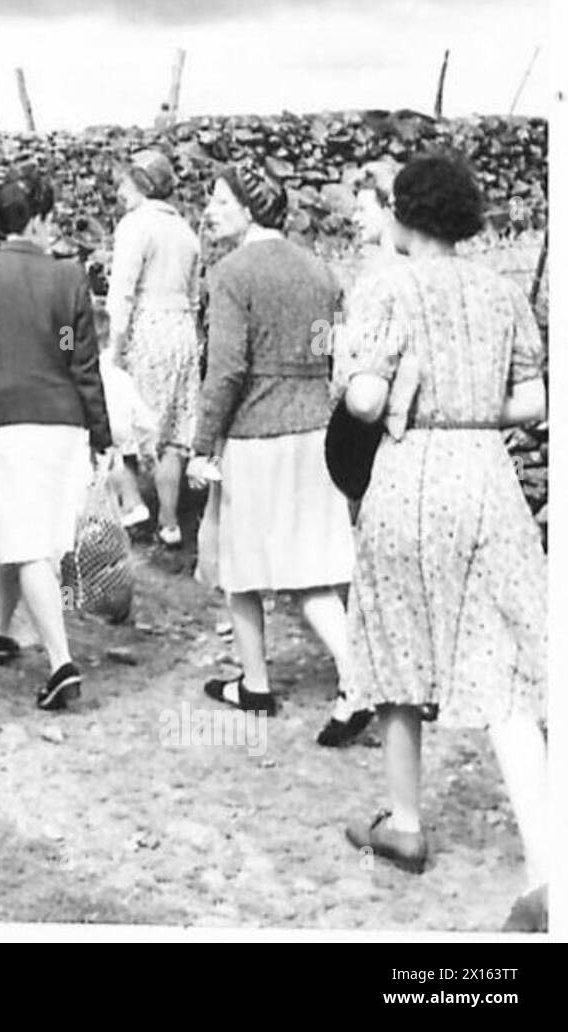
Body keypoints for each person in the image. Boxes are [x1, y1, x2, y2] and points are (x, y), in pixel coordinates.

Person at [334, 155, 549, 932]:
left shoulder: (384, 287)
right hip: (485, 473)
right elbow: (536, 394)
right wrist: (475, 404)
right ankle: (546, 867)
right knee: (509, 665)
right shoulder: (497, 292)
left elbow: (362, 397)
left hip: (408, 471)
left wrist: (375, 386)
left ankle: (405, 822)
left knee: (396, 644)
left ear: (403, 212)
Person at [188, 161, 354, 724]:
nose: (211, 210)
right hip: (314, 431)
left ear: (250, 208)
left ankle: (255, 685)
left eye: (221, 201)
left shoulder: (232, 274)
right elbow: (330, 352)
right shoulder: (321, 272)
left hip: (256, 435)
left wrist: (202, 443)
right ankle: (359, 675)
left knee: (243, 568)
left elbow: (227, 368)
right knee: (310, 569)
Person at [0, 174, 112, 710]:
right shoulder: (67, 280)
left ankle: (61, 663)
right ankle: (4, 630)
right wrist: (101, 432)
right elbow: (77, 356)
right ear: (39, 220)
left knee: (24, 541)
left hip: (2, 422)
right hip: (61, 421)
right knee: (26, 533)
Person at [106, 150, 200, 548]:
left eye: (126, 183)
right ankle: (170, 522)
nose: (121, 191)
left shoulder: (135, 225)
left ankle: (131, 506)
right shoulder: (187, 232)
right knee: (174, 430)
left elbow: (122, 292)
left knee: (123, 416)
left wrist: (115, 347)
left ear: (142, 184)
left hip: (147, 325)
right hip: (182, 330)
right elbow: (195, 297)